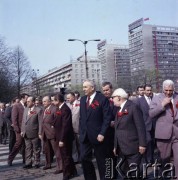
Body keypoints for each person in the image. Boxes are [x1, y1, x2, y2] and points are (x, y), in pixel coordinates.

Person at [80, 79, 112, 180]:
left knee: (102, 161)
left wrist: (102, 133)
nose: (83, 89)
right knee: (84, 158)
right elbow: (82, 117)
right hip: (85, 136)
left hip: (98, 136)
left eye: (85, 87)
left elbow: (107, 118)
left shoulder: (102, 99)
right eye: (83, 87)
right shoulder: (82, 99)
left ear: (92, 88)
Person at [112, 88, 147, 179]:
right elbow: (117, 129)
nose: (112, 100)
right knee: (124, 172)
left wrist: (142, 144)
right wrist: (116, 146)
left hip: (132, 147)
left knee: (134, 172)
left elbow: (140, 127)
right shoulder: (119, 109)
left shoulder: (133, 107)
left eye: (113, 97)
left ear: (119, 98)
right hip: (121, 148)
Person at [149, 79, 178, 178]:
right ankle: (163, 176)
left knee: (177, 159)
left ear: (173, 89)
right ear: (163, 89)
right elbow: (151, 114)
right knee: (164, 159)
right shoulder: (157, 98)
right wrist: (162, 105)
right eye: (166, 90)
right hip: (163, 134)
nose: (168, 92)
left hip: (176, 134)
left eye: (171, 90)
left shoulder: (177, 97)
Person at [53, 93, 77, 180]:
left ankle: (66, 174)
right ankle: (73, 171)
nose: (52, 102)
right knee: (67, 155)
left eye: (53, 100)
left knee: (65, 156)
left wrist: (62, 139)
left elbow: (65, 126)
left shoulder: (65, 109)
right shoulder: (60, 108)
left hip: (65, 137)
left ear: (58, 101)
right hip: (60, 135)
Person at [41, 96, 62, 174]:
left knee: (57, 151)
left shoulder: (54, 109)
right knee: (47, 150)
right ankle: (48, 164)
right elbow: (42, 121)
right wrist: (40, 132)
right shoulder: (43, 109)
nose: (43, 103)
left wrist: (54, 128)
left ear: (49, 101)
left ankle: (60, 167)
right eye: (43, 101)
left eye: (45, 101)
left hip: (52, 133)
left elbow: (57, 120)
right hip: (45, 133)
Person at [7, 93, 29, 166]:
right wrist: (17, 129)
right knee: (18, 144)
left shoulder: (26, 106)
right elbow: (14, 118)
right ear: (22, 98)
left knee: (25, 145)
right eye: (26, 98)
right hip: (19, 129)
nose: (27, 99)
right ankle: (10, 159)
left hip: (26, 128)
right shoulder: (16, 106)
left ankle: (25, 159)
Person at [136, 84, 155, 164]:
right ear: (144, 90)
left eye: (150, 90)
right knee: (148, 141)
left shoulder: (154, 99)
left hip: (154, 125)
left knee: (153, 143)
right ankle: (147, 160)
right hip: (144, 125)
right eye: (147, 90)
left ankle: (151, 159)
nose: (149, 92)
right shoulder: (138, 101)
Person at [21, 96, 42, 169]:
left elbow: (40, 122)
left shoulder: (38, 110)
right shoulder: (26, 109)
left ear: (33, 102)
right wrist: (22, 130)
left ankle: (37, 162)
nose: (27, 102)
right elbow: (23, 121)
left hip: (34, 132)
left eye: (28, 101)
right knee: (28, 148)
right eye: (27, 101)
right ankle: (28, 163)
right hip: (26, 133)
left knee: (36, 148)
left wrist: (40, 133)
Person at [66, 92, 80, 163]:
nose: (67, 99)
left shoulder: (80, 104)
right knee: (73, 145)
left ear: (73, 97)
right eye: (67, 98)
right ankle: (75, 159)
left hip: (78, 128)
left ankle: (82, 158)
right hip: (70, 129)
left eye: (69, 98)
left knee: (79, 144)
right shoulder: (67, 105)